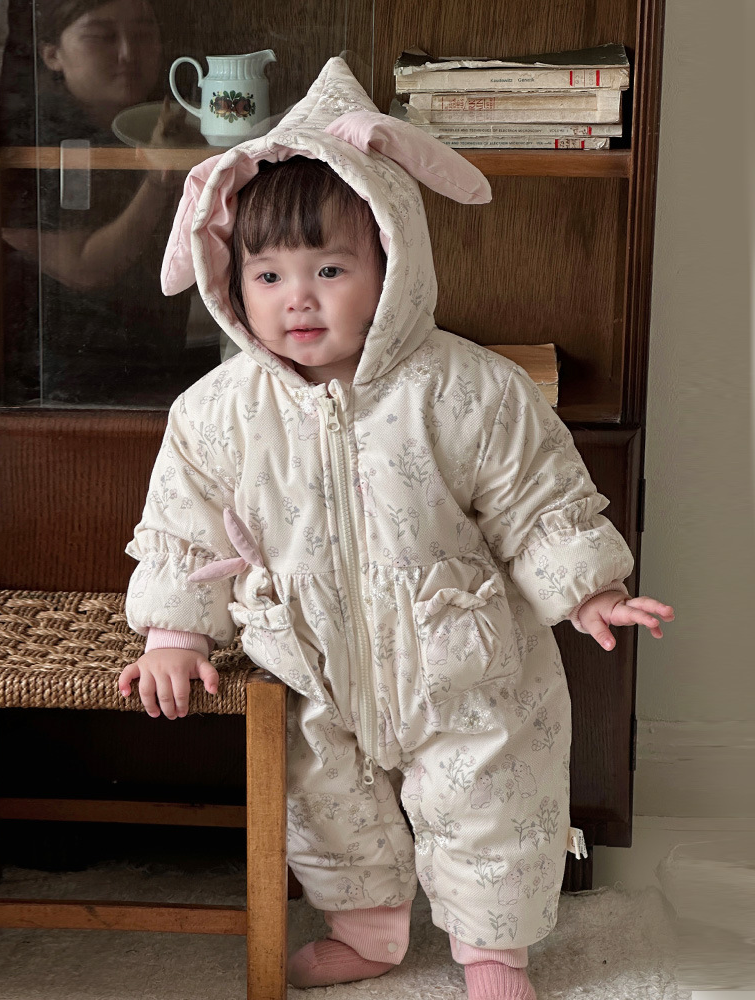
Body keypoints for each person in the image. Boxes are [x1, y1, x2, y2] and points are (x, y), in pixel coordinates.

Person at [118, 58, 674, 999]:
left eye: (330, 269)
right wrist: (175, 634)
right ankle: (368, 934)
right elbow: (183, 528)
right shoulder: (216, 412)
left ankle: (494, 955)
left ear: (390, 264)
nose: (299, 297)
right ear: (232, 282)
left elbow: (535, 496)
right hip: (310, 659)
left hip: (461, 653)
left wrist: (590, 590)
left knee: (490, 803)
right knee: (328, 809)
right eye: (269, 274)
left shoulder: (466, 388)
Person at [0, 0, 218, 405]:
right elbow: (83, 267)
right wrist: (160, 179)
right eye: (100, 37)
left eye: (143, 34)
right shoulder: (22, 136)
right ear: (52, 54)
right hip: (57, 390)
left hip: (161, 364)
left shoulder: (174, 122)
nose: (128, 54)